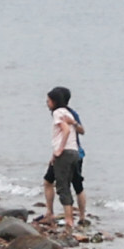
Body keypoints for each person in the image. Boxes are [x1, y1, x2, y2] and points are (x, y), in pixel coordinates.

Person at [38, 87, 88, 232]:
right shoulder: (64, 112)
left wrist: (73, 123)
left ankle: (74, 219)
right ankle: (50, 213)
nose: (46, 103)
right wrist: (54, 153)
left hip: (72, 153)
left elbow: (79, 131)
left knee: (70, 186)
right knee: (48, 180)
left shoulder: (63, 113)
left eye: (48, 100)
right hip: (67, 152)